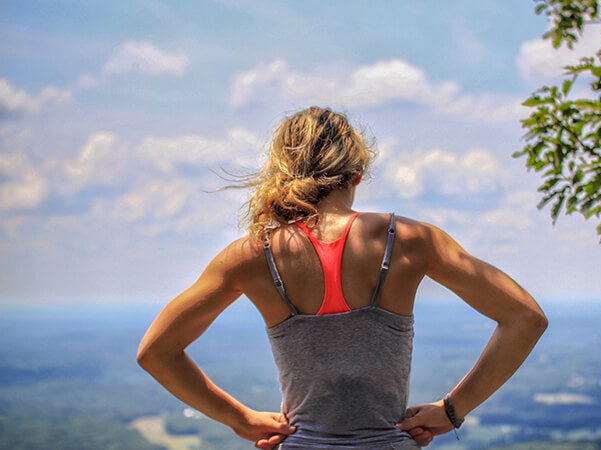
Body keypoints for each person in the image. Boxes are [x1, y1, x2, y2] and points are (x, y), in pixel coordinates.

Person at [137, 106, 548, 449]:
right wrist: (453, 410)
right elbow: (525, 317)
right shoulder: (409, 241)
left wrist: (239, 418)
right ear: (355, 175)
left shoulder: (251, 255)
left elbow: (155, 352)